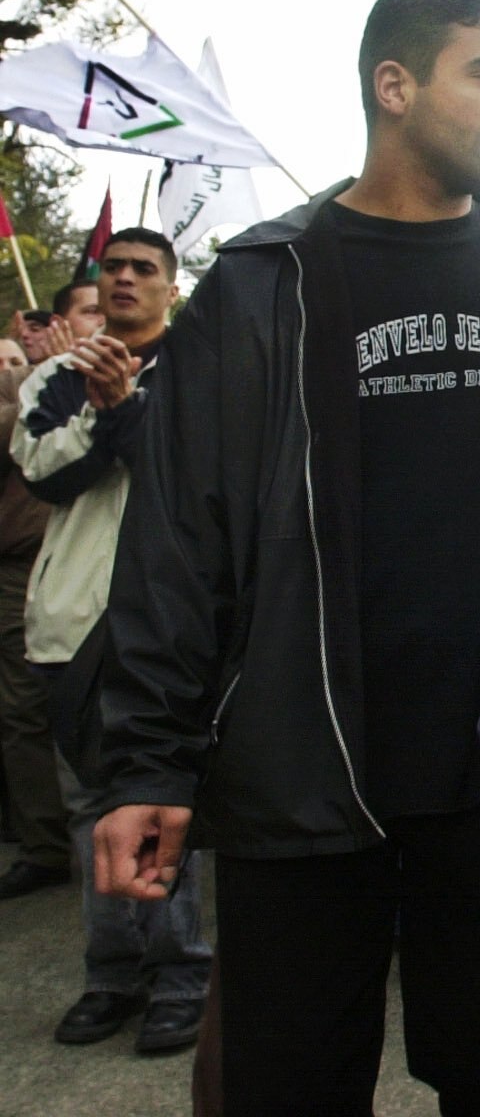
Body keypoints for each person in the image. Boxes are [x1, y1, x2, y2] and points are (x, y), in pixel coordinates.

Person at [91, 0, 480, 1115]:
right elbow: (181, 539)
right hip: (301, 782)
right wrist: (146, 763)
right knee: (290, 1087)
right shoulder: (260, 287)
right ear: (394, 85)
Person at [11, 228, 210, 1052]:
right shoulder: (61, 377)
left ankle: (181, 974)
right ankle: (110, 975)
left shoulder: (203, 374)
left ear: (172, 287)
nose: (125, 280)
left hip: (168, 617)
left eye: (144, 270)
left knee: (165, 802)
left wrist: (126, 408)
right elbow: (45, 473)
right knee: (94, 803)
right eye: (113, 269)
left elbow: (180, 468)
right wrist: (102, 412)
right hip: (76, 620)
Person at [0, 329, 60, 901]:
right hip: (25, 572)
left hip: (60, 569)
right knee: (21, 713)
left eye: (12, 362)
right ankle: (43, 840)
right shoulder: (35, 387)